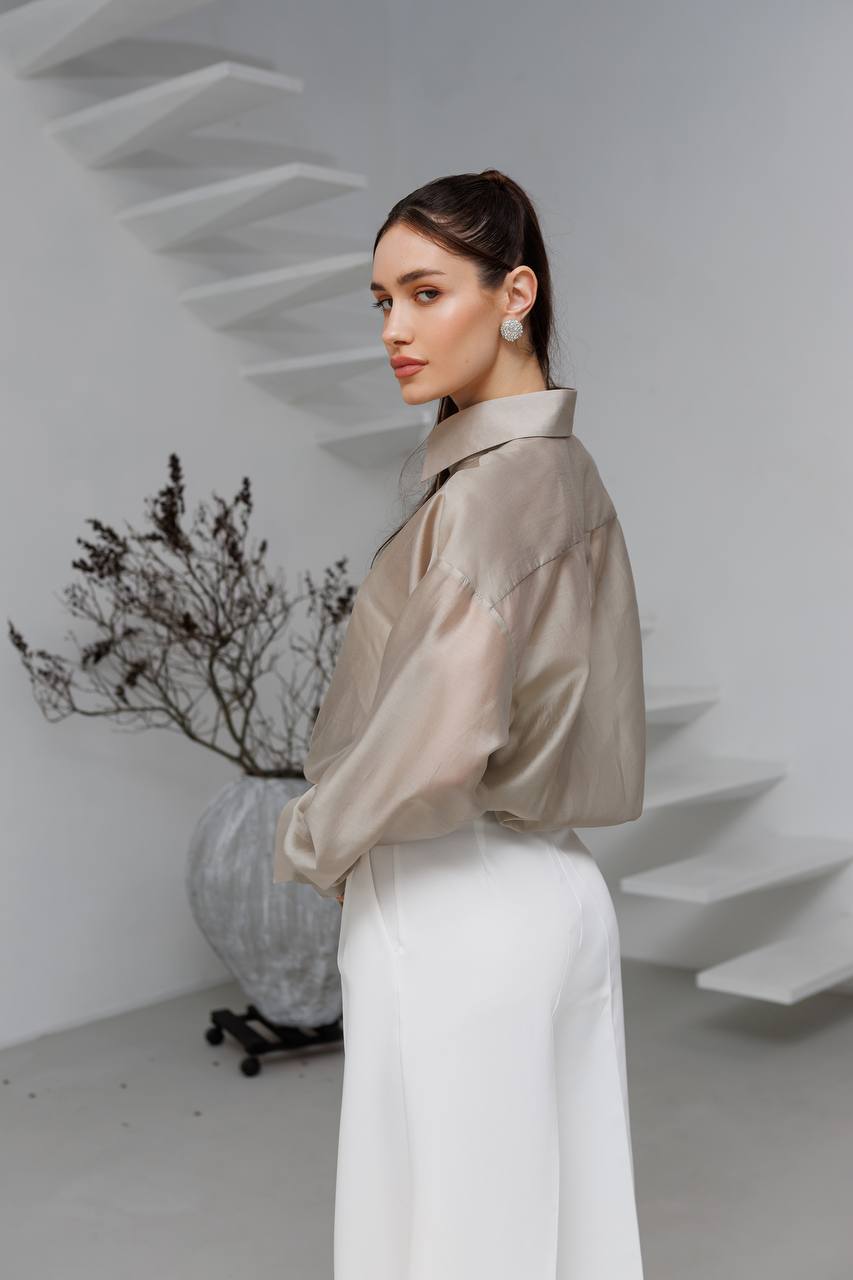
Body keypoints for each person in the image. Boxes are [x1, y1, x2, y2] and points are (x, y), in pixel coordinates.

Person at [273, 169, 647, 1279]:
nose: (394, 327)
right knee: (556, 1235)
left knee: (448, 1246)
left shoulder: (491, 493)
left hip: (454, 900)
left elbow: (434, 737)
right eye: (381, 301)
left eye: (425, 292)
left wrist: (309, 836)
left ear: (514, 292)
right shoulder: (559, 471)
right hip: (550, 892)